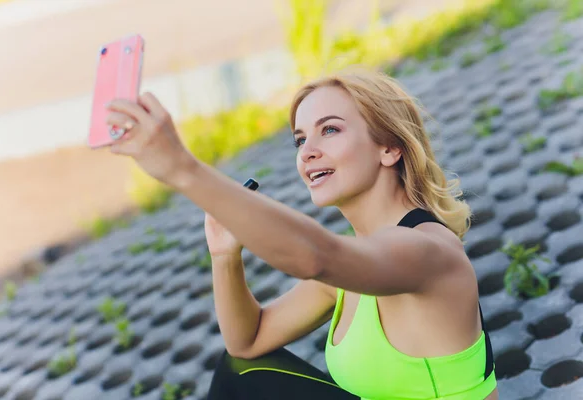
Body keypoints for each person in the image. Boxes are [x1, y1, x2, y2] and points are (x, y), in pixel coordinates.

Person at [104, 69, 499, 400]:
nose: (308, 150)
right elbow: (247, 345)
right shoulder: (352, 274)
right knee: (241, 371)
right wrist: (225, 256)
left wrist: (182, 169)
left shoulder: (427, 251)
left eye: (329, 130)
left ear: (389, 148)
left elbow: (314, 256)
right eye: (300, 139)